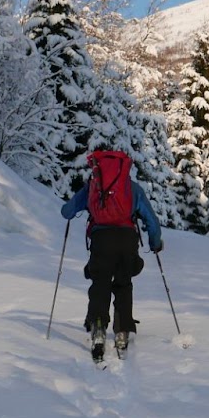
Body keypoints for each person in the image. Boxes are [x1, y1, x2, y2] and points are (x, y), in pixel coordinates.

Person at [61, 149, 163, 358]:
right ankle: (122, 332)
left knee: (100, 284)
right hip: (127, 240)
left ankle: (98, 328)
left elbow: (66, 211)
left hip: (101, 241)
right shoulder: (132, 189)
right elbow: (151, 220)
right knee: (123, 284)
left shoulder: (93, 187)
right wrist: (155, 242)